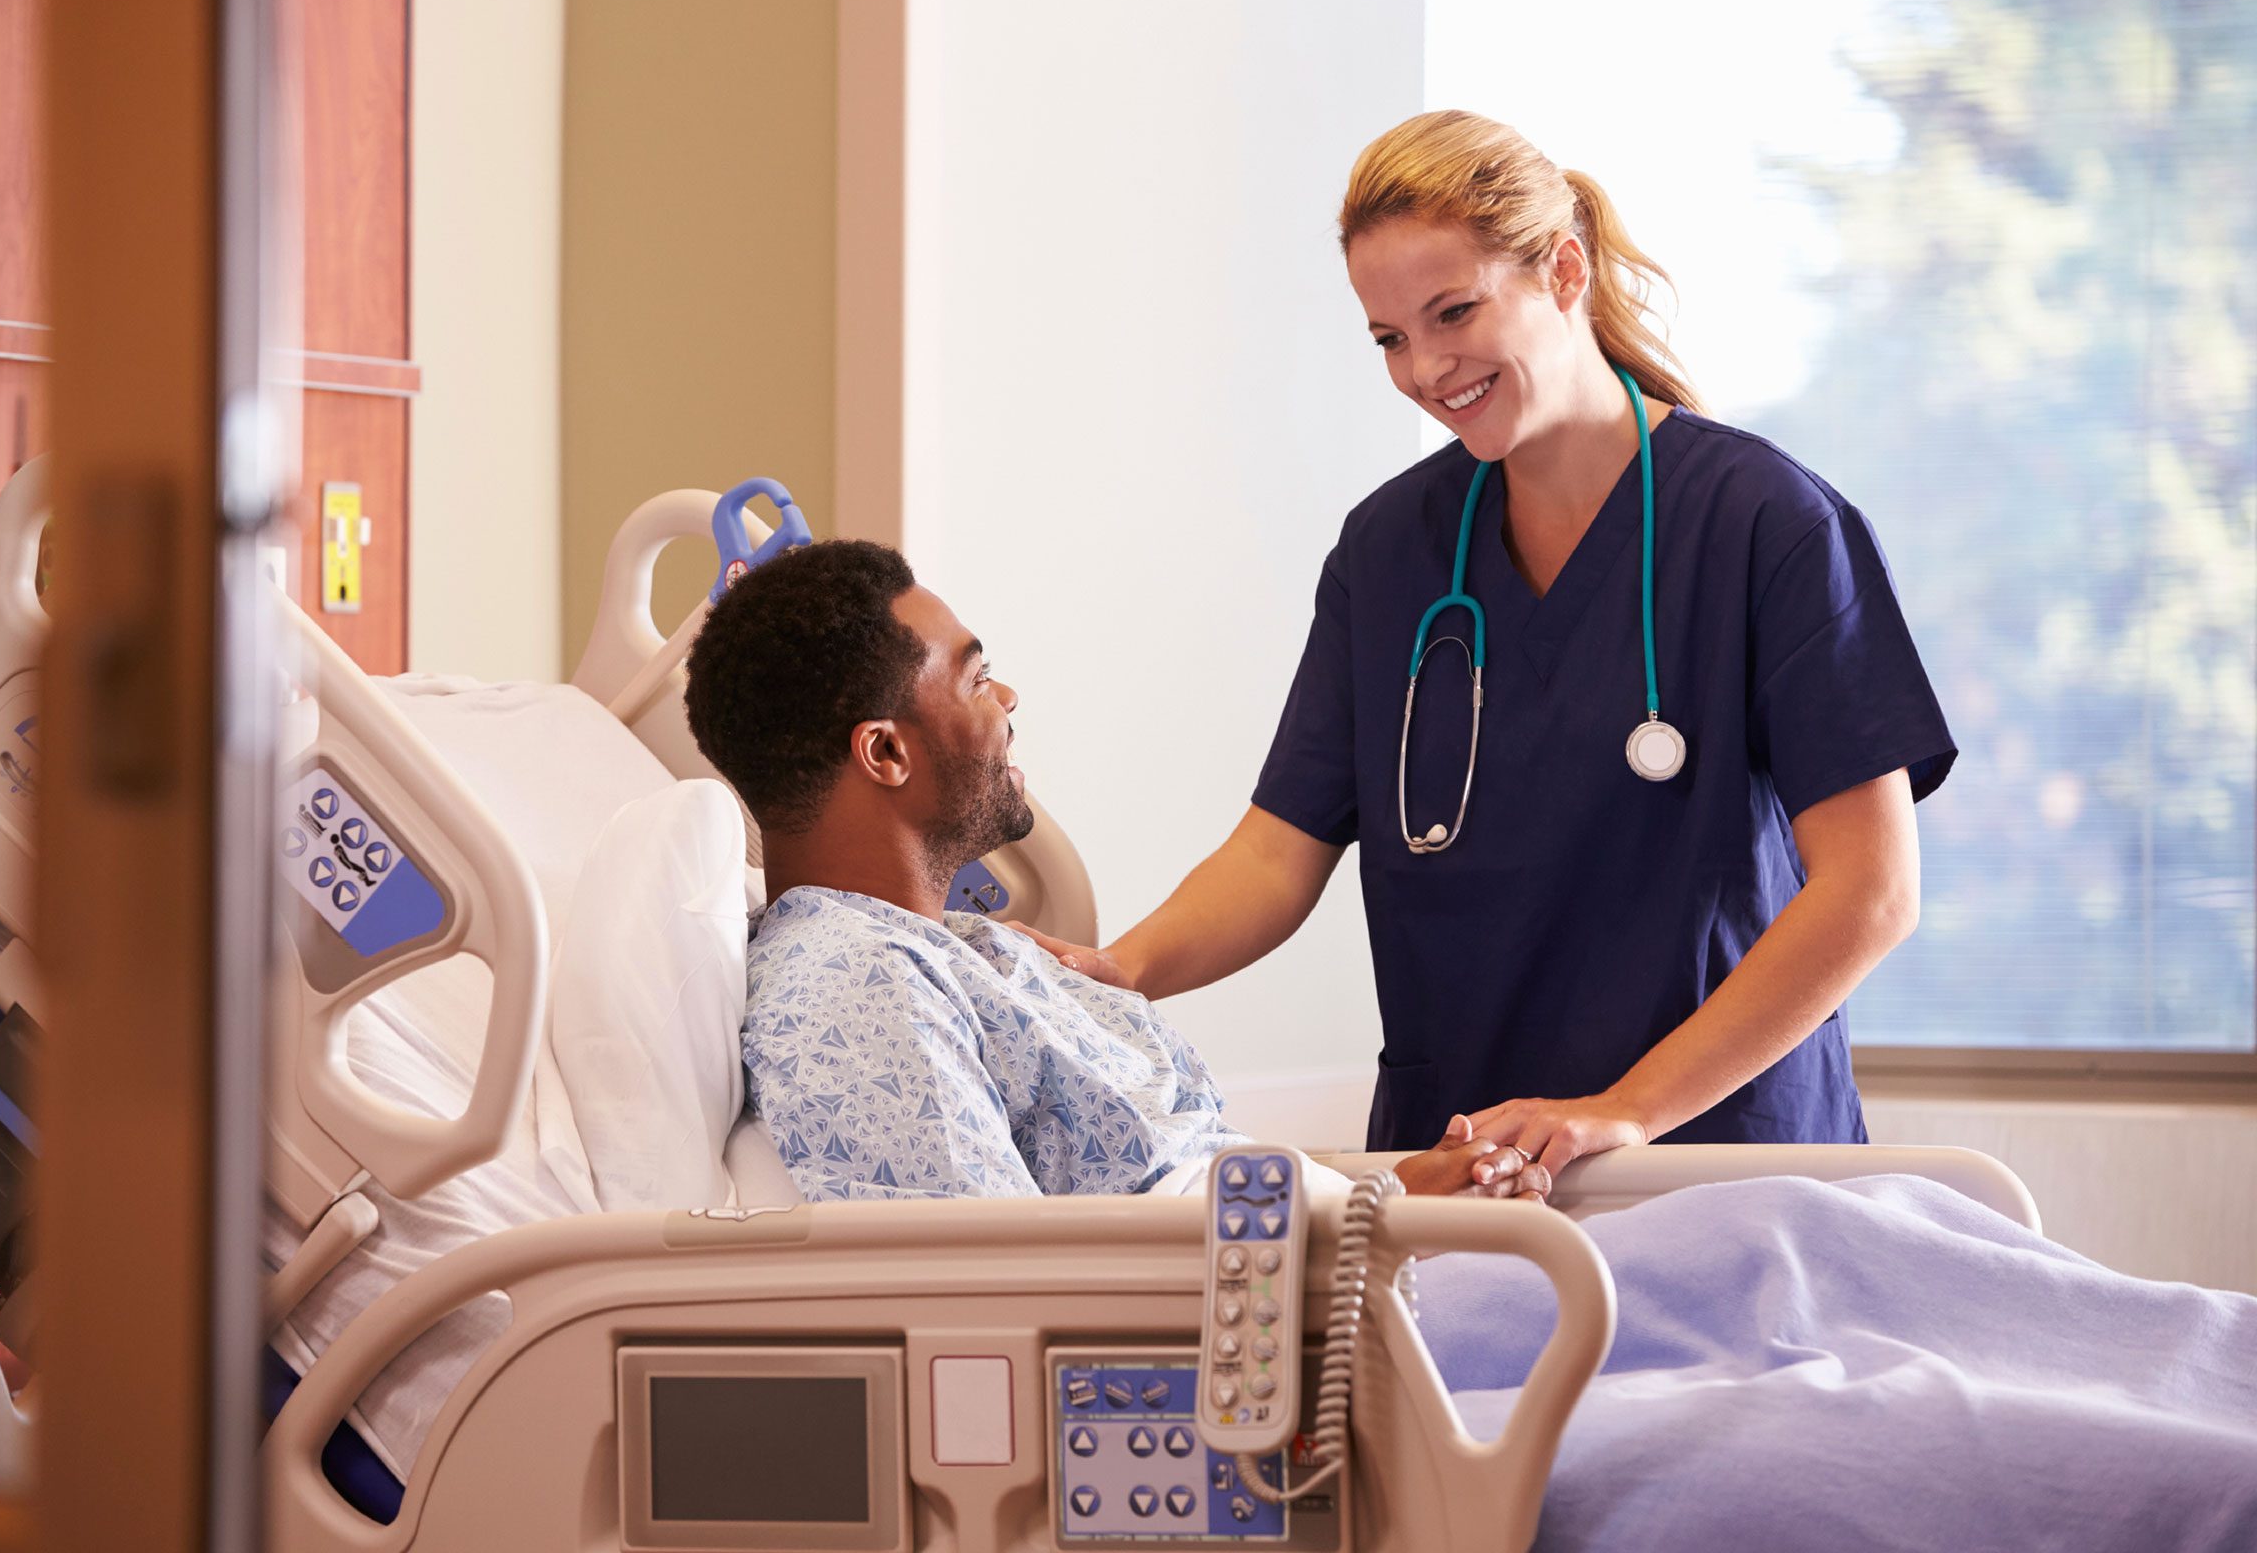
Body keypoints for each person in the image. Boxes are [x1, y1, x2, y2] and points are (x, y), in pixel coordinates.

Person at [1023, 111, 1957, 1177]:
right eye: (1388, 338)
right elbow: (1276, 852)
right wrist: (1123, 967)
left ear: (1564, 271)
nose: (1424, 368)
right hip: (1467, 1166)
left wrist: (1629, 1108)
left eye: (1453, 311)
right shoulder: (1391, 552)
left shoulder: (1765, 525)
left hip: (1714, 1162)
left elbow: (1871, 891)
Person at [681, 539, 1547, 1203]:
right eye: (978, 679)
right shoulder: (855, 989)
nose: (1008, 700)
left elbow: (1174, 1179)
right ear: (884, 752)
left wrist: (1385, 1200)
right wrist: (1383, 1212)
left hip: (1312, 1281)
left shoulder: (959, 950)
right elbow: (1000, 1292)